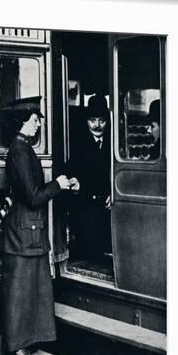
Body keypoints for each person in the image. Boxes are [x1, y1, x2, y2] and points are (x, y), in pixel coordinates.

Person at [0, 97, 70, 355]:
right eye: (35, 119)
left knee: (30, 292)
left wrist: (60, 186)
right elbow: (32, 197)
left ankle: (25, 343)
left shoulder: (23, 149)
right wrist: (58, 184)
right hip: (23, 234)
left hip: (28, 232)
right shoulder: (19, 151)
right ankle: (17, 351)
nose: (39, 123)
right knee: (19, 295)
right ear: (23, 122)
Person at [66, 94, 112, 262]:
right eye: (92, 120)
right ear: (86, 121)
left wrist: (113, 193)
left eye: (101, 120)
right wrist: (75, 180)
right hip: (85, 207)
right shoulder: (77, 144)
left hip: (108, 206)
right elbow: (70, 170)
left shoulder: (115, 144)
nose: (97, 126)